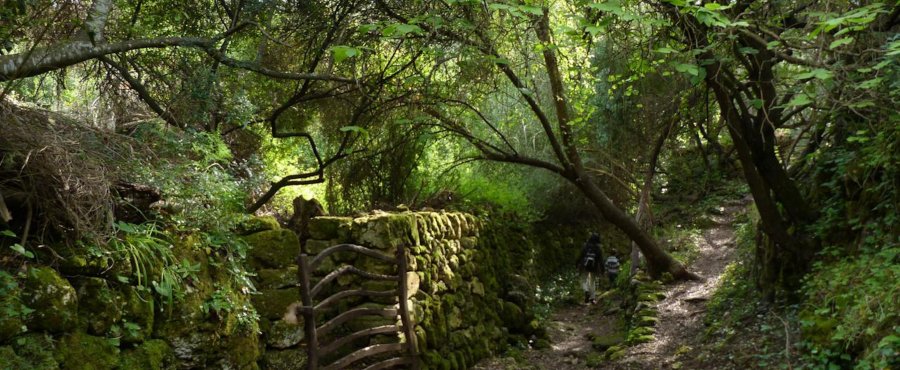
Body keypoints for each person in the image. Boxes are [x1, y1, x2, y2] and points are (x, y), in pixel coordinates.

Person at [576, 233, 603, 304]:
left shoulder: (585, 246)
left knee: (583, 280)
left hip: (584, 266)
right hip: (594, 267)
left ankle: (586, 291)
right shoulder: (598, 249)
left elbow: (580, 256)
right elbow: (600, 260)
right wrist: (602, 270)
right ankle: (592, 298)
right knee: (592, 282)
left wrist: (577, 264)